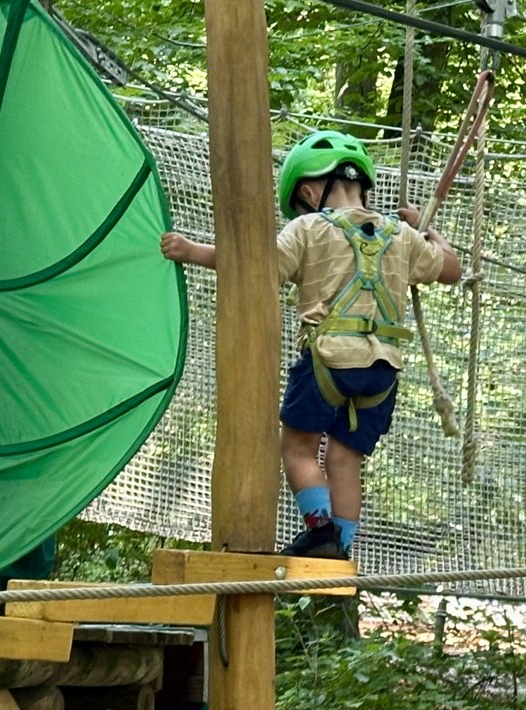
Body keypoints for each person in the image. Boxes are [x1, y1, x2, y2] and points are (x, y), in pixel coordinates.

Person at [162, 129, 462, 558]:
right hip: (382, 372)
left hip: (328, 361)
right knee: (345, 459)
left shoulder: (307, 228)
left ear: (307, 191)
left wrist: (192, 251)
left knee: (298, 448)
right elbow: (451, 269)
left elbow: (254, 266)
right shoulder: (401, 235)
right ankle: (341, 549)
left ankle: (321, 532)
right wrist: (426, 230)